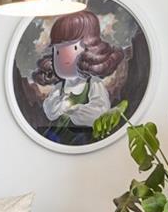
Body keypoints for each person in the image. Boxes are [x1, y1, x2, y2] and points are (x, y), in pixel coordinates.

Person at [30, 9, 122, 138]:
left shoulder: (92, 84)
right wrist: (59, 105)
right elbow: (50, 111)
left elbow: (101, 110)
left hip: (85, 136)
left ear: (91, 50)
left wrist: (77, 110)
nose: (62, 57)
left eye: (73, 48)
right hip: (58, 136)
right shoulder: (60, 87)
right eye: (57, 51)